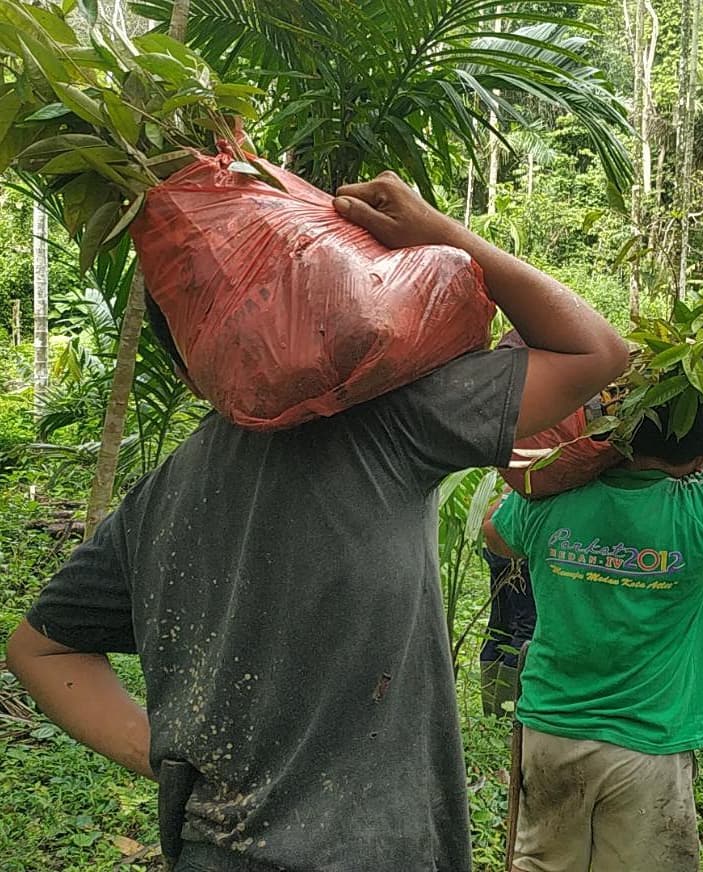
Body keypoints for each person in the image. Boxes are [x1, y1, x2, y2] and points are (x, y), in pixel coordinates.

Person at [5, 172, 627, 872]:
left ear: (190, 361)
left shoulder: (158, 499)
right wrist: (440, 231)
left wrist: (166, 759)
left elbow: (38, 650)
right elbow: (597, 355)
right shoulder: (394, 421)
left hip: (218, 852)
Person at [484, 382, 703, 872]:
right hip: (650, 746)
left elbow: (496, 534)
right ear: (702, 457)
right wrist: (700, 368)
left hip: (551, 729)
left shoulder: (551, 499)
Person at [480, 547, 536, 717]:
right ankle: (506, 716)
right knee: (526, 627)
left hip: (494, 544)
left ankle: (494, 717)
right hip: (518, 550)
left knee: (500, 627)